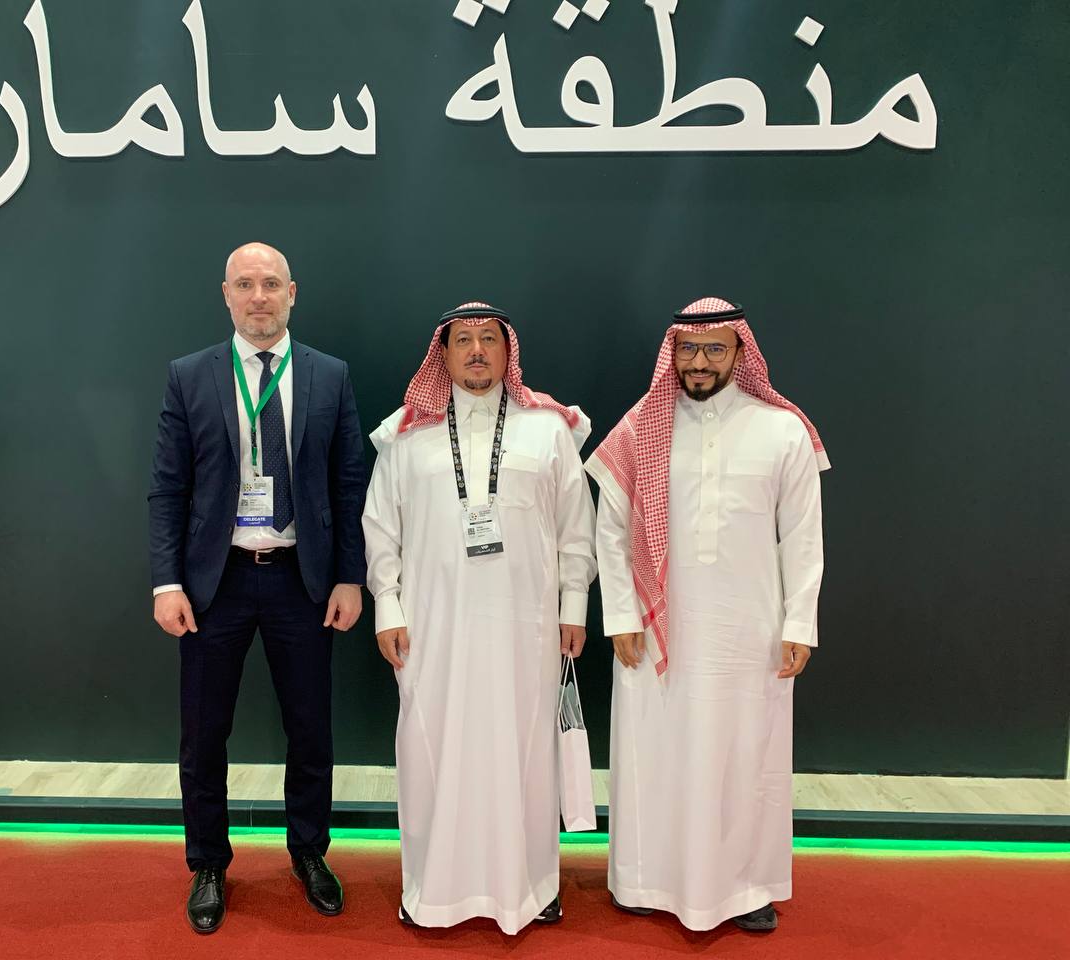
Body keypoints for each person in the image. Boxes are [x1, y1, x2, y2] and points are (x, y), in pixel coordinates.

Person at [586, 297, 828, 933]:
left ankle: (745, 887)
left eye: (715, 349)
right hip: (655, 631)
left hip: (749, 632)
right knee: (654, 752)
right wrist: (621, 616)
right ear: (673, 353)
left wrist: (799, 623)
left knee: (745, 758)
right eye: (688, 349)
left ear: (740, 352)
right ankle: (644, 879)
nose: (699, 361)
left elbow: (803, 538)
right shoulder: (640, 428)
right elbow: (609, 530)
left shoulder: (782, 430)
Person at [148, 242, 367, 934]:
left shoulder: (330, 375)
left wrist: (350, 575)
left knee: (311, 729)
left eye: (271, 283)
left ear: (292, 293)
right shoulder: (190, 376)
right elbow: (168, 489)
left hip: (304, 581)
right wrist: (166, 582)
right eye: (245, 284)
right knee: (203, 733)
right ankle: (209, 863)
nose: (259, 296)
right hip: (215, 585)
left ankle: (309, 852)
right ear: (226, 295)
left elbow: (350, 484)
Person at [362, 302, 597, 934]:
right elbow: (380, 527)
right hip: (431, 627)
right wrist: (387, 603)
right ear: (442, 355)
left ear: (506, 350)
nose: (475, 351)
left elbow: (576, 528)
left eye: (487, 339)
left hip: (528, 628)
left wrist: (573, 603)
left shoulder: (547, 430)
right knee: (431, 747)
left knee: (526, 751)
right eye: (462, 340)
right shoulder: (405, 434)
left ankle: (534, 886)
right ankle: (432, 888)